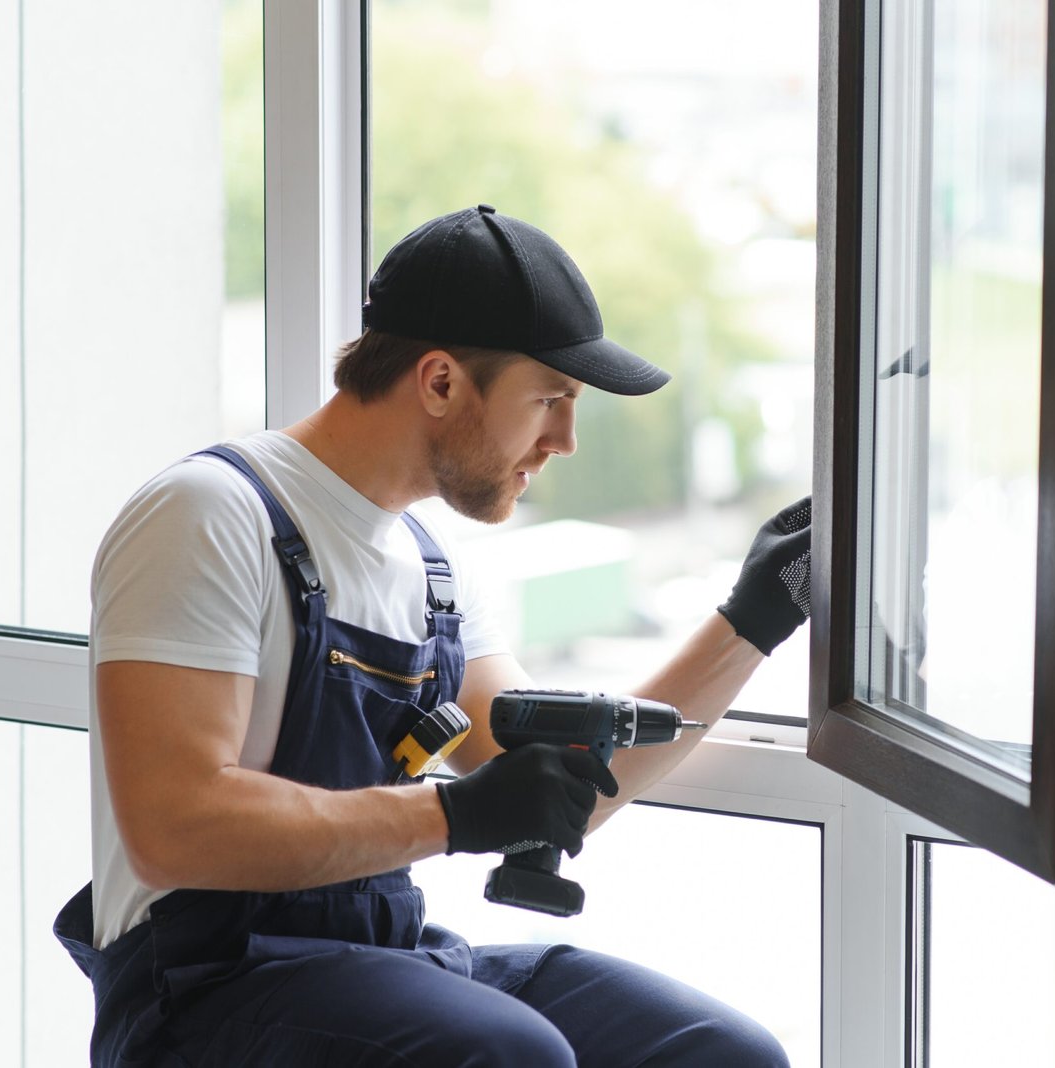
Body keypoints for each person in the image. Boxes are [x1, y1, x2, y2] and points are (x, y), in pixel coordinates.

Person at [53, 204, 812, 1067]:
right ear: (442, 381)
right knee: (509, 1056)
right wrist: (452, 813)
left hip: (382, 960)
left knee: (715, 1051)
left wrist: (755, 617)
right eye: (552, 400)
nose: (564, 440)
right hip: (200, 994)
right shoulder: (209, 515)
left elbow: (567, 788)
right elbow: (172, 825)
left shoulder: (429, 572)